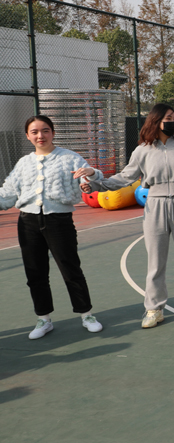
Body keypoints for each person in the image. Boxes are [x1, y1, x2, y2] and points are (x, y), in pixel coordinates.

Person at [86, 103, 174, 328]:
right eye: (168, 118)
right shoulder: (142, 150)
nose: (172, 121)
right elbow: (124, 177)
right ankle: (154, 309)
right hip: (154, 205)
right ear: (156, 121)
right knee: (155, 262)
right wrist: (96, 184)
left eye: (173, 118)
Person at [0, 115, 104, 340]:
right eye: (35, 132)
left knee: (70, 268)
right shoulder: (23, 163)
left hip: (59, 221)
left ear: (53, 133)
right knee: (35, 272)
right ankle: (43, 318)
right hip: (27, 223)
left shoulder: (70, 158)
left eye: (45, 130)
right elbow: (7, 194)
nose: (41, 135)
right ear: (28, 136)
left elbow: (92, 178)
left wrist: (89, 178)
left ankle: (86, 314)